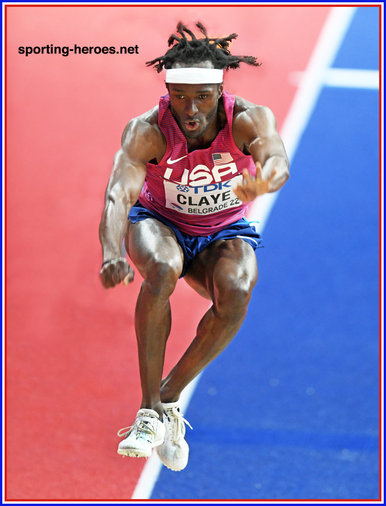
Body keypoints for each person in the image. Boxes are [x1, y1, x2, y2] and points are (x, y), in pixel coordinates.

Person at [99, 21, 289, 472]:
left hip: (221, 231)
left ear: (219, 91)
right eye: (181, 97)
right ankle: (148, 412)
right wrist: (111, 252)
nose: (191, 108)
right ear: (168, 92)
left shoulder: (248, 119)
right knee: (163, 269)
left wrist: (266, 178)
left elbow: (276, 157)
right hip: (158, 222)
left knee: (238, 291)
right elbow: (117, 196)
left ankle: (167, 398)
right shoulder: (148, 130)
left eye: (202, 96)